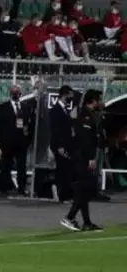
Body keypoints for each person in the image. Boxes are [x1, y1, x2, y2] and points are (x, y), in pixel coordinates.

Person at [60, 90, 103, 231]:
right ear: (92, 101)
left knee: (84, 190)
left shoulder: (88, 115)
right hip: (81, 157)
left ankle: (86, 221)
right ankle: (71, 217)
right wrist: (91, 158)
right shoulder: (84, 116)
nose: (99, 103)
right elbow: (85, 140)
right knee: (87, 188)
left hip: (82, 156)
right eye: (98, 100)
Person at [0, 85, 32, 196]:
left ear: (20, 93)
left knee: (22, 166)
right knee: (6, 165)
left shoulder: (26, 107)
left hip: (22, 141)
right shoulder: (3, 107)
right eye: (14, 92)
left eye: (18, 92)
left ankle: (21, 188)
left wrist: (28, 138)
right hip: (7, 142)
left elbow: (29, 124)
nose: (16, 94)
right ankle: (4, 188)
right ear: (10, 93)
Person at [50, 85, 76, 203]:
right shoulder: (56, 111)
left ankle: (62, 193)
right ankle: (60, 192)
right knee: (62, 169)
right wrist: (59, 146)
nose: (72, 97)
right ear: (65, 94)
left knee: (65, 169)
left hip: (67, 144)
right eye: (70, 95)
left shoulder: (65, 110)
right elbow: (55, 130)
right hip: (60, 145)